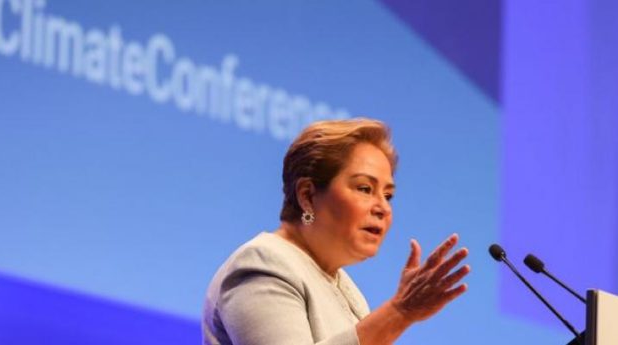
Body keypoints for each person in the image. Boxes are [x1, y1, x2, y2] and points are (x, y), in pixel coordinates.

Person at [202, 118, 471, 345]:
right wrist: (399, 312)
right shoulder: (263, 264)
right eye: (365, 189)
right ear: (307, 196)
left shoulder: (345, 289)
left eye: (388, 196)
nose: (383, 208)